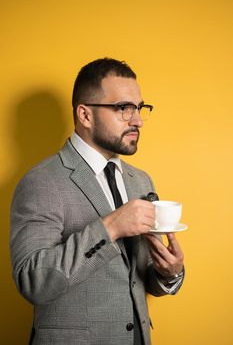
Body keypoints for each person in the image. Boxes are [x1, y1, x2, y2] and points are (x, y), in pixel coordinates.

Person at [10, 58, 184, 345]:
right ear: (85, 115)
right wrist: (110, 228)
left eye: (140, 108)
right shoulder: (41, 181)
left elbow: (134, 278)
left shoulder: (141, 181)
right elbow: (32, 280)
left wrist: (169, 274)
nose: (138, 120)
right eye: (124, 108)